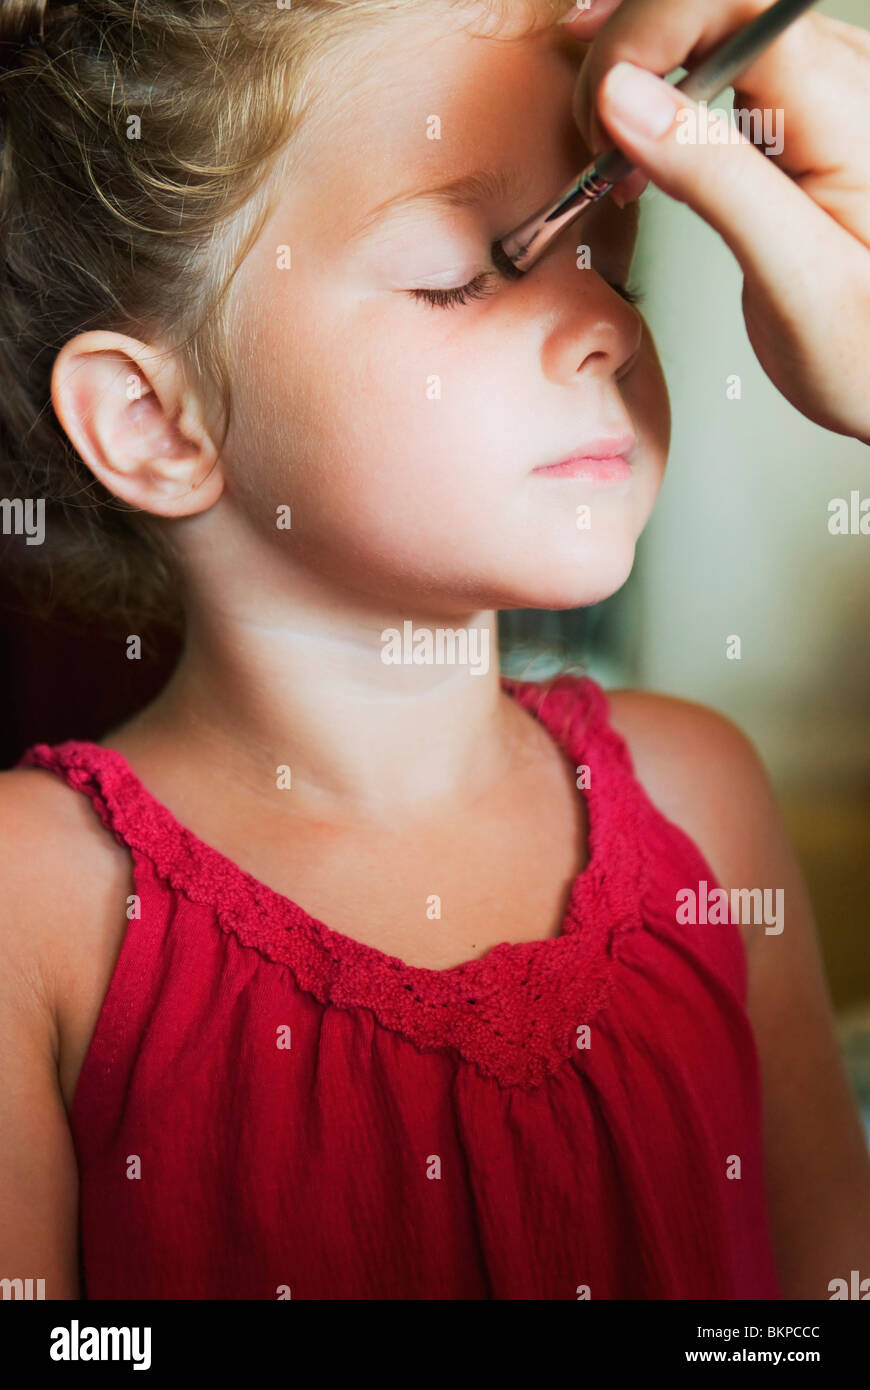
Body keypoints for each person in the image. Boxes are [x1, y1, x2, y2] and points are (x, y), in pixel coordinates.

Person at [1, 0, 868, 1301]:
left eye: (610, 261)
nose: (609, 328)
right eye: (464, 268)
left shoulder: (705, 799)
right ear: (151, 420)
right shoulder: (38, 906)